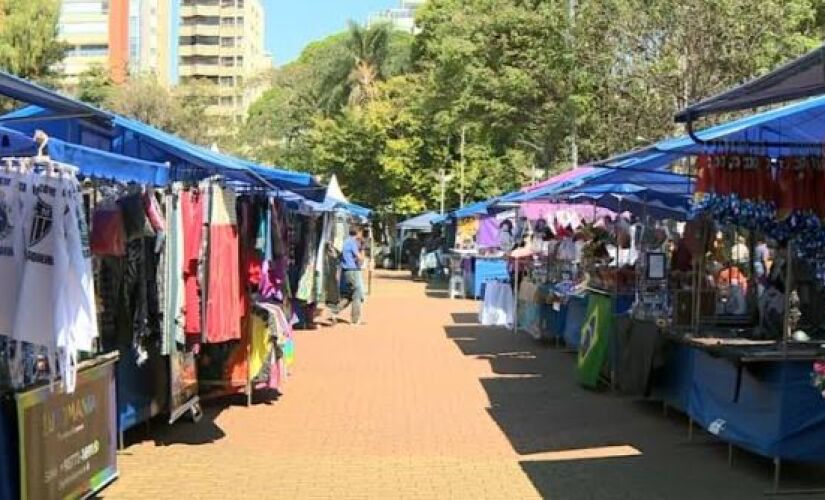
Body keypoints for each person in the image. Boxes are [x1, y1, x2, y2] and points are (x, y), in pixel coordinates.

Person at [335, 228, 365, 325]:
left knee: (348, 295)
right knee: (357, 293)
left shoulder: (345, 242)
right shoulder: (352, 242)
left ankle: (334, 311)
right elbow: (360, 258)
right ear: (358, 233)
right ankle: (355, 320)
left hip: (345, 271)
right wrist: (363, 249)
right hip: (352, 270)